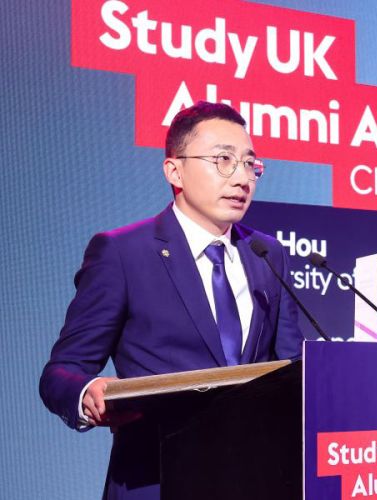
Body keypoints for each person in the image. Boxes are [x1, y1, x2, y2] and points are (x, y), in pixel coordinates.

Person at [39, 101, 303, 499]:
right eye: (223, 160)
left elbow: (292, 366)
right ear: (174, 170)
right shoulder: (123, 253)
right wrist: (87, 393)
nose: (242, 178)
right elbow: (62, 371)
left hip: (257, 476)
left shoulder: (267, 254)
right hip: (158, 478)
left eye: (250, 164)